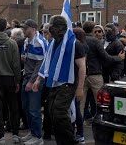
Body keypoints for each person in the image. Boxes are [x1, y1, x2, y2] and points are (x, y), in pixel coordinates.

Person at [34, 15, 86, 145]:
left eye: (53, 28)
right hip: (54, 83)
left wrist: (80, 89)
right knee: (52, 113)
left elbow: (82, 67)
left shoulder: (75, 44)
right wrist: (38, 80)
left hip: (68, 83)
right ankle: (61, 141)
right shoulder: (53, 44)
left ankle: (70, 141)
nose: (51, 31)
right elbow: (47, 63)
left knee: (59, 113)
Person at [20, 19, 47, 145]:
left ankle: (37, 136)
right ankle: (32, 131)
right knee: (26, 107)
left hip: (34, 79)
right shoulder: (27, 41)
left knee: (33, 109)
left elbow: (40, 65)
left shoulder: (39, 42)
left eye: (26, 28)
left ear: (33, 28)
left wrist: (33, 81)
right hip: (27, 76)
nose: (23, 30)